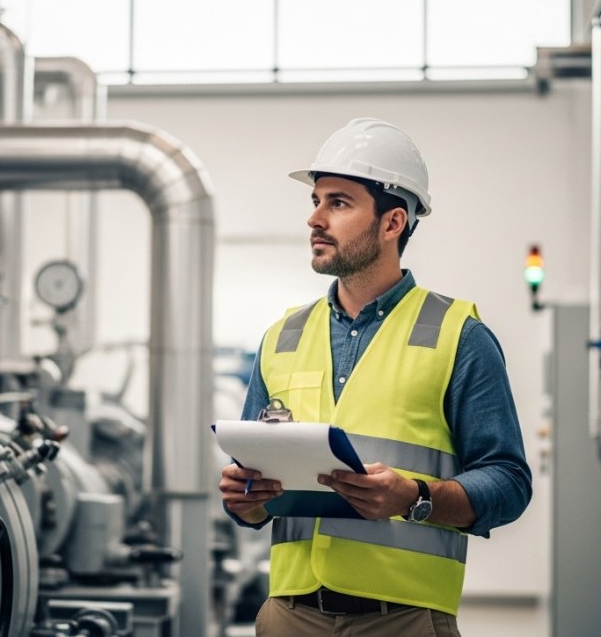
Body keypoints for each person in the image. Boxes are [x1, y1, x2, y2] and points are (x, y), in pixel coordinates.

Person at [218, 118, 532, 636]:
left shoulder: (459, 335)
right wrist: (244, 502)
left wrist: (414, 497)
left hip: (404, 621)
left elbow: (508, 482)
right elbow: (252, 487)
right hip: (288, 616)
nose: (315, 219)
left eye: (338, 203)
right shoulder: (282, 337)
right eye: (315, 201)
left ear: (393, 223)